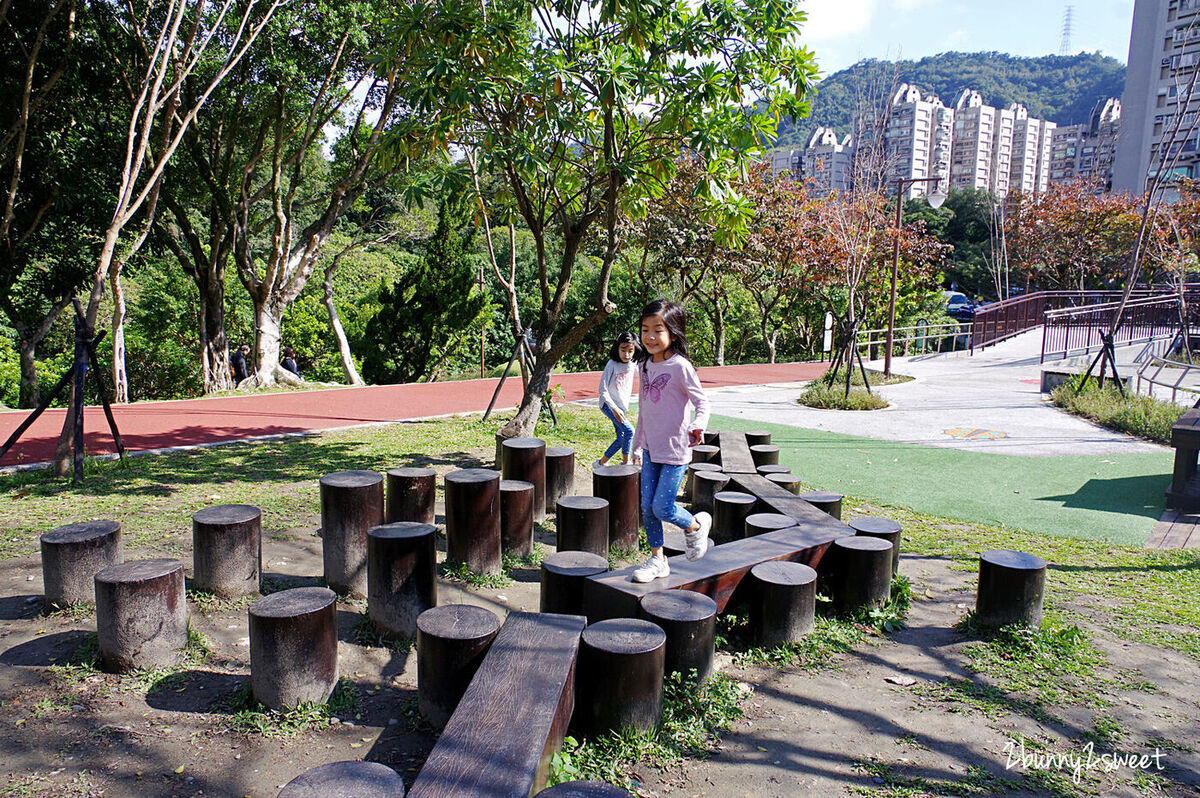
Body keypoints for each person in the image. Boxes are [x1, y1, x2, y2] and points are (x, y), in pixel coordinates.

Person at [629, 299, 712, 583]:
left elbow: (702, 403)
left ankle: (695, 526)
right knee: (647, 508)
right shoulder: (644, 366)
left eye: (658, 330)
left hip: (675, 450)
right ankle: (657, 560)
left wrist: (698, 425)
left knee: (662, 507)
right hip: (650, 448)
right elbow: (643, 409)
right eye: (645, 330)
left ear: (673, 334)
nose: (650, 337)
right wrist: (636, 445)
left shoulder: (681, 367)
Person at [595, 332, 640, 467]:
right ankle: (626, 463)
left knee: (621, 438)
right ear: (617, 348)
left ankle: (601, 463)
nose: (626, 354)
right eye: (623, 350)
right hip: (608, 406)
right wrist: (614, 409)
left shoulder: (633, 364)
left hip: (621, 407)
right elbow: (602, 390)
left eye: (630, 351)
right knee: (629, 431)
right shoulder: (612, 364)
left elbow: (646, 378)